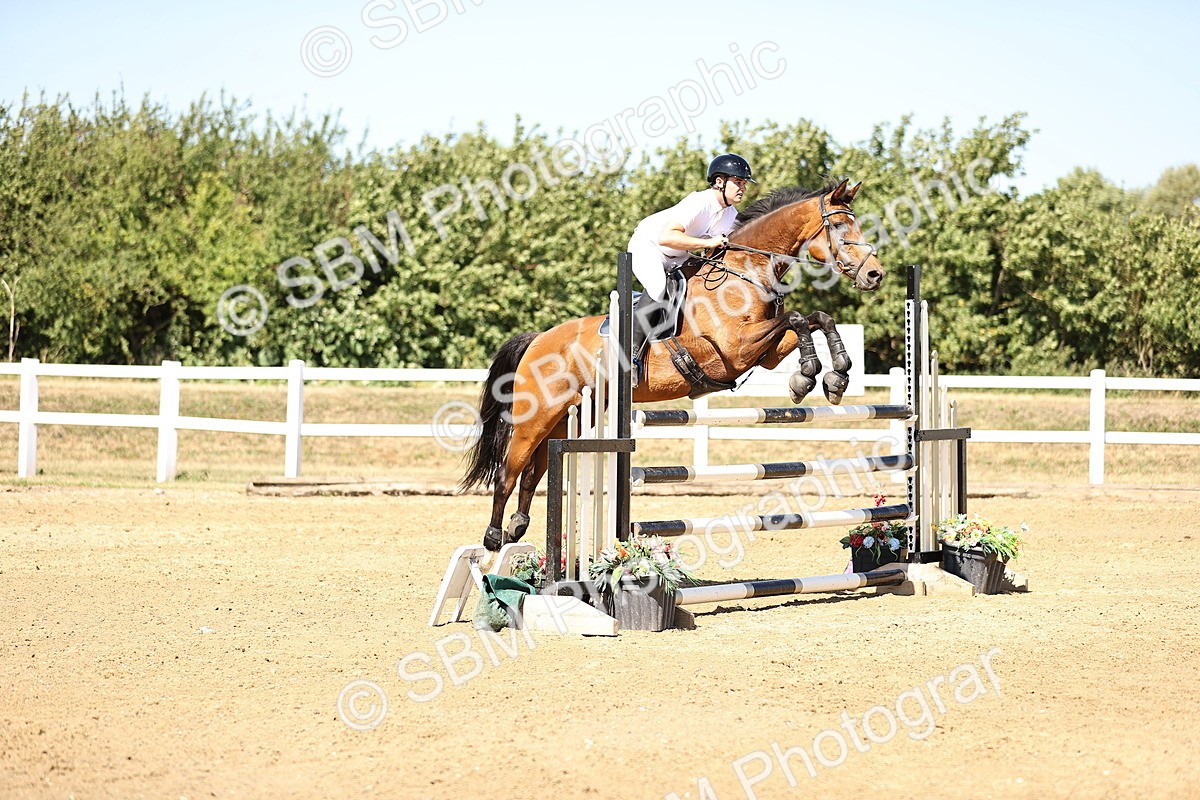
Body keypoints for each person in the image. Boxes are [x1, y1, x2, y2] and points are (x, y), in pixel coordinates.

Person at [626, 153, 754, 380]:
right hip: (649, 246)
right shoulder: (699, 202)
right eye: (738, 182)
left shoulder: (731, 215)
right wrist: (707, 243)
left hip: (678, 254)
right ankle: (629, 356)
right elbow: (667, 237)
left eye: (744, 183)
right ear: (719, 182)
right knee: (657, 287)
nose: (742, 188)